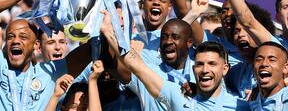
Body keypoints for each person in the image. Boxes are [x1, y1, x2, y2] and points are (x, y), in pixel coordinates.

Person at [102, 12, 250, 110]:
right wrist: (108, 32)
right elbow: (136, 64)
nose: (205, 70)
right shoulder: (178, 97)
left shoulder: (240, 107)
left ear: (225, 69)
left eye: (212, 64)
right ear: (193, 68)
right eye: (199, 64)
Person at [204, 0, 279, 99]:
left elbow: (247, 19)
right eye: (236, 31)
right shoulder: (237, 72)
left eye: (245, 31)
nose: (240, 35)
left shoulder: (277, 51)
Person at [249, 41, 288, 110]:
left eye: (272, 60)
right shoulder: (252, 100)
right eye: (259, 59)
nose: (264, 64)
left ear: (285, 68)